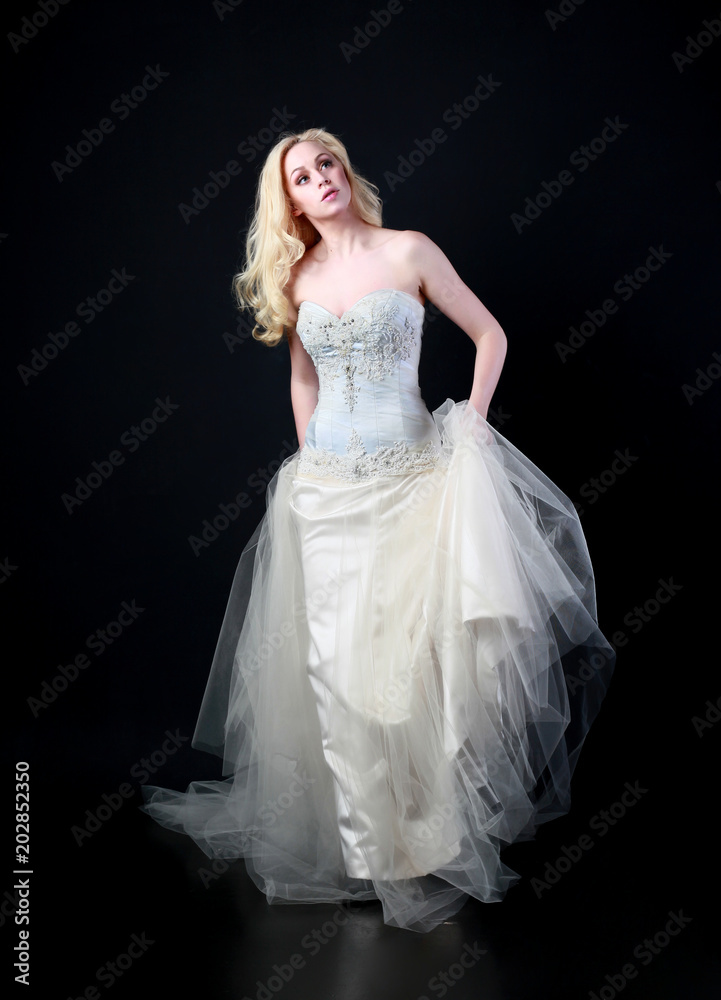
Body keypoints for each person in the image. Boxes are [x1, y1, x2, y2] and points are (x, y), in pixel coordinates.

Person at [141, 127, 615, 933]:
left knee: (416, 662)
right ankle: (364, 853)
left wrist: (471, 423)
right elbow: (302, 376)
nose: (318, 178)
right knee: (334, 667)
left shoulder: (409, 252)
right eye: (300, 174)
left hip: (412, 482)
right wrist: (306, 464)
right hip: (325, 495)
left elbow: (490, 334)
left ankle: (427, 837)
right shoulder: (296, 276)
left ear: (345, 171)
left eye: (326, 162)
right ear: (287, 198)